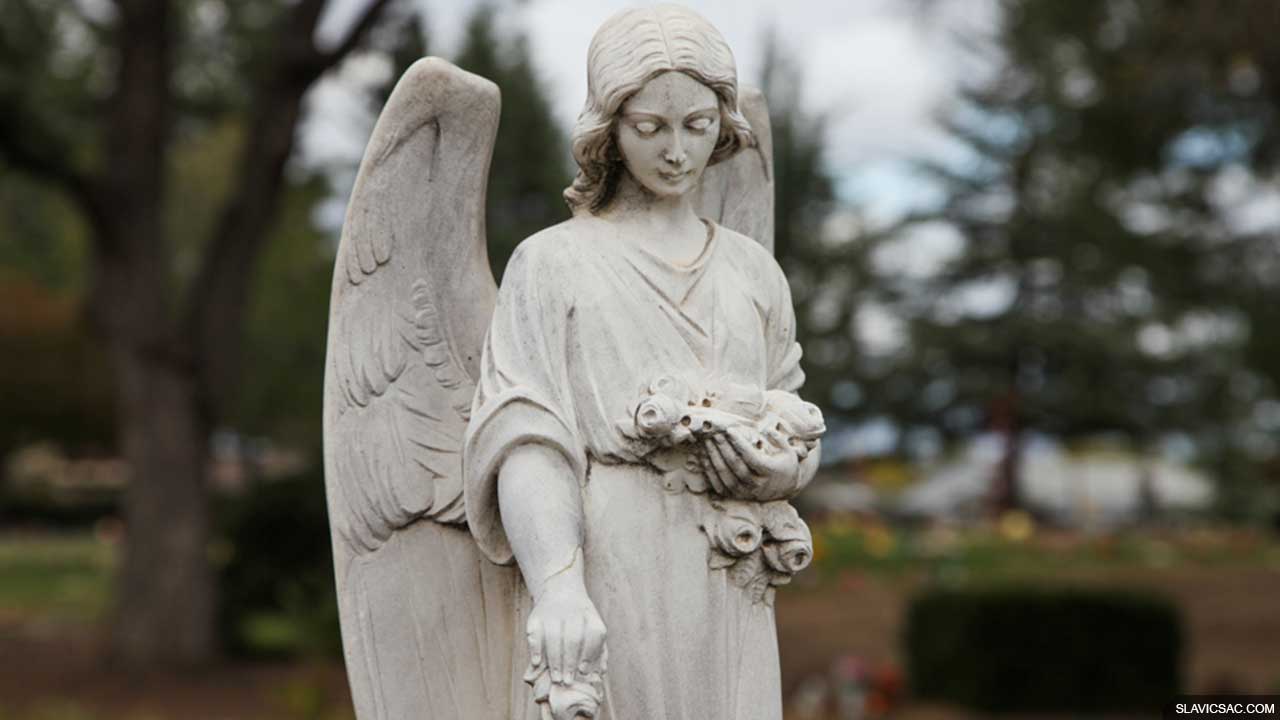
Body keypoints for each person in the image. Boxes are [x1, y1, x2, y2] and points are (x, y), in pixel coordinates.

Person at [462, 6, 821, 719]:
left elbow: (791, 415)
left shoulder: (753, 272)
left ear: (724, 124)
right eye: (650, 127)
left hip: (732, 572)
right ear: (610, 126)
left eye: (697, 125)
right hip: (610, 558)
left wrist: (778, 469)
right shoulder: (552, 263)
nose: (677, 151)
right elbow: (528, 440)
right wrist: (560, 586)